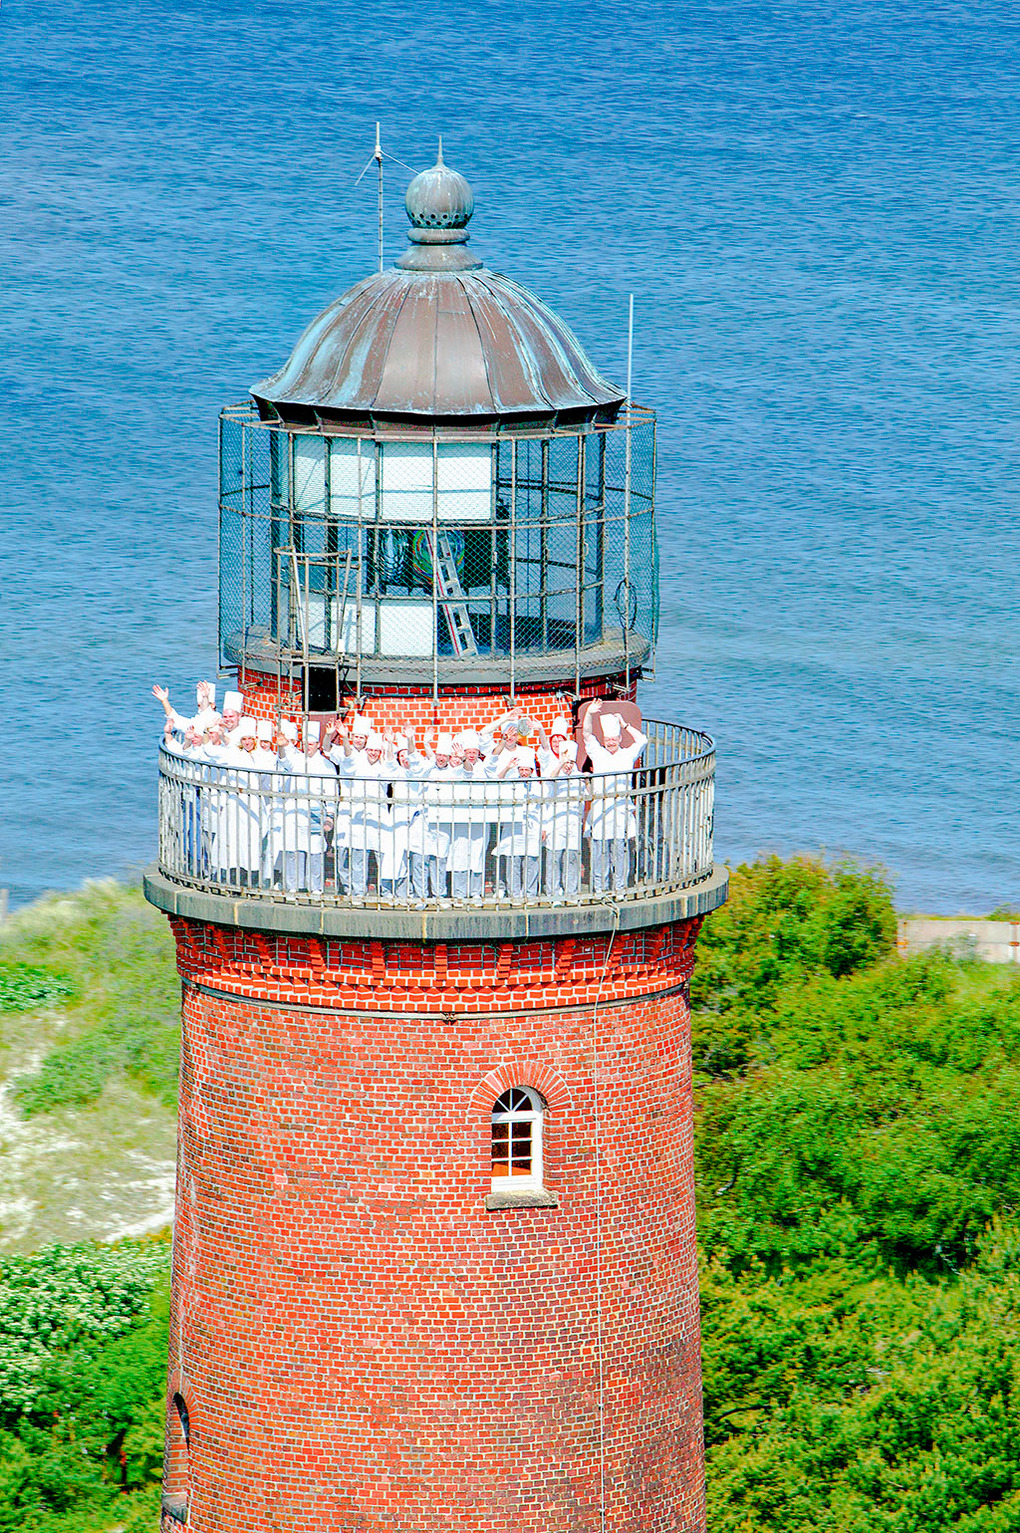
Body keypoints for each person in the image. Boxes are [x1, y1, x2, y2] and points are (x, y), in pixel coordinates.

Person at [582, 703, 648, 896]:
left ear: (619, 739)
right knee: (600, 852)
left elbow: (642, 740)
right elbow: (586, 734)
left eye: (613, 739)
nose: (610, 742)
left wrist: (624, 724)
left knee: (620, 851)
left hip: (620, 810)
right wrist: (588, 714)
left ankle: (619, 888)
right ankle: (599, 888)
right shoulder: (598, 753)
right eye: (607, 739)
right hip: (601, 810)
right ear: (604, 740)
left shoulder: (627, 754)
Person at [336, 729, 389, 900]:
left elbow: (389, 775)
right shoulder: (357, 763)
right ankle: (359, 891)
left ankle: (386, 891)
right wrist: (345, 738)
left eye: (376, 751)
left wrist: (387, 748)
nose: (373, 753)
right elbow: (348, 757)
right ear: (366, 750)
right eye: (370, 750)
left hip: (379, 815)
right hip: (359, 814)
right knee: (358, 854)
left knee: (383, 855)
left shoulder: (384, 766)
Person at [493, 746, 543, 898]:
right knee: (512, 860)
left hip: (532, 826)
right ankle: (514, 893)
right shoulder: (512, 783)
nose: (524, 773)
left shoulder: (538, 786)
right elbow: (497, 781)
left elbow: (544, 808)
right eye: (521, 770)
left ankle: (530, 893)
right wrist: (508, 768)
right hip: (514, 826)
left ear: (531, 771)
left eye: (527, 770)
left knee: (531, 860)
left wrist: (544, 827)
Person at [449, 729, 489, 900]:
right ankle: (459, 892)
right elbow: (467, 772)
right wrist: (463, 761)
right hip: (460, 817)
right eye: (468, 752)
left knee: (478, 854)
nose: (471, 755)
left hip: (480, 817)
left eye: (474, 752)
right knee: (459, 853)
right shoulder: (456, 769)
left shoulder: (485, 767)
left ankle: (475, 892)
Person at [543, 742, 586, 900]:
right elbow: (550, 778)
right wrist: (561, 763)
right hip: (556, 822)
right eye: (567, 762)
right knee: (554, 858)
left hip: (573, 822)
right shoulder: (554, 771)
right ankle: (553, 892)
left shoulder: (578, 777)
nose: (568, 766)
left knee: (571, 858)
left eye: (571, 763)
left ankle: (571, 891)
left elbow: (586, 796)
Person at [422, 732, 459, 898]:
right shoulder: (428, 769)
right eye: (439, 755)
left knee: (440, 857)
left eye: (444, 756)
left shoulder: (454, 772)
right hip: (427, 818)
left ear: (449, 757)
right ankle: (424, 893)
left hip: (445, 819)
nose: (441, 758)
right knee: (425, 857)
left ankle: (440, 893)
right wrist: (426, 744)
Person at [152, 681, 220, 734]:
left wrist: (205, 697)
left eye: (203, 705)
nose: (200, 709)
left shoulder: (217, 718)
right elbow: (175, 718)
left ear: (213, 705)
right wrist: (164, 701)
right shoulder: (196, 721)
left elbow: (206, 713)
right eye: (199, 706)